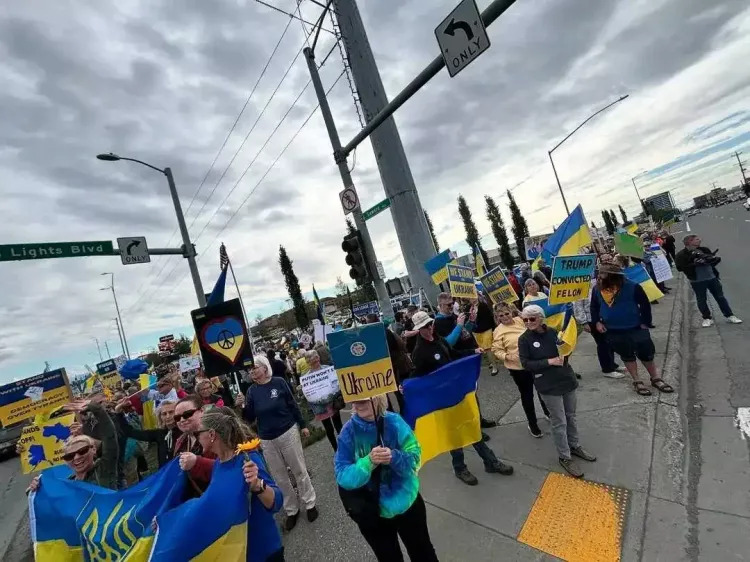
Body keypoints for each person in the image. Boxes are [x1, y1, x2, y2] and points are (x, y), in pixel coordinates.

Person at [410, 310, 513, 486]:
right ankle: (460, 468)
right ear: (418, 330)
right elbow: (418, 376)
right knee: (455, 435)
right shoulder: (419, 352)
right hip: (443, 400)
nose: (429, 328)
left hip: (456, 391)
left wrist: (473, 351)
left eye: (429, 324)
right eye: (424, 327)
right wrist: (406, 386)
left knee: (471, 426)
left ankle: (490, 461)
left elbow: (454, 354)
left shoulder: (439, 340)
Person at [335, 395, 438, 562]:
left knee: (423, 553)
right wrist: (368, 462)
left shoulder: (394, 422)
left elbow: (415, 459)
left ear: (377, 396)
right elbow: (342, 475)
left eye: (364, 399)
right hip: (373, 511)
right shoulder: (348, 432)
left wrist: (393, 457)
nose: (358, 403)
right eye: (355, 399)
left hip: (407, 502)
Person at [176, 407, 284, 562]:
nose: (197, 437)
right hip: (239, 552)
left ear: (211, 435)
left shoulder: (247, 459)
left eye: (198, 433)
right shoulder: (218, 464)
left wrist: (258, 486)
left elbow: (277, 501)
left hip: (263, 550)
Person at [236, 355, 317, 531]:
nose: (252, 371)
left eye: (255, 367)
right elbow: (249, 417)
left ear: (265, 368)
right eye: (250, 369)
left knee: (299, 470)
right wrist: (242, 406)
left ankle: (310, 502)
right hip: (266, 438)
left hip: (287, 431)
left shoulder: (279, 382)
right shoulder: (251, 391)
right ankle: (291, 509)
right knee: (280, 476)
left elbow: (292, 404)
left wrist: (303, 424)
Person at [518, 305, 595, 478]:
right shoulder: (524, 339)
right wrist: (549, 362)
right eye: (525, 319)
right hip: (548, 385)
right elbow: (526, 364)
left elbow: (564, 350)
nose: (528, 322)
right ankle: (564, 456)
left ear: (541, 318)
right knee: (559, 422)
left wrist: (566, 352)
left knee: (571, 416)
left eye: (532, 319)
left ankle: (574, 446)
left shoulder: (553, 332)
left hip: (565, 379)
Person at [590, 263, 673, 396]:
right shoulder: (597, 289)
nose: (599, 276)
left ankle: (655, 378)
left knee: (646, 354)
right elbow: (594, 307)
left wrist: (645, 323)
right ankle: (637, 380)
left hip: (636, 327)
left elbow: (645, 305)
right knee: (627, 355)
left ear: (613, 276)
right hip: (613, 329)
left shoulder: (632, 286)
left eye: (603, 274)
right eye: (599, 273)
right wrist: (597, 322)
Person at [432, 292, 496, 430]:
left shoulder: (452, 317)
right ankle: (473, 426)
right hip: (456, 361)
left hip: (467, 358)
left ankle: (479, 420)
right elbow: (448, 344)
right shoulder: (439, 323)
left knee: (472, 392)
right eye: (448, 305)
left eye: (452, 303)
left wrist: (471, 322)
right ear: (440, 305)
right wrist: (459, 325)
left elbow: (464, 333)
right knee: (465, 395)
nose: (451, 306)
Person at [27, 399, 119, 493]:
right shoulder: (67, 485)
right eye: (69, 456)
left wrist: (96, 407)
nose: (76, 457)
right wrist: (36, 490)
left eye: (82, 451)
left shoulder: (104, 469)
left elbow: (109, 437)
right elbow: (47, 498)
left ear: (93, 449)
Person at [491, 302, 550, 437]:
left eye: (507, 313)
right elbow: (496, 350)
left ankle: (548, 412)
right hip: (518, 368)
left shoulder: (520, 320)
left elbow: (534, 325)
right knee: (527, 395)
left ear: (511, 312)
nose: (505, 317)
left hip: (535, 362)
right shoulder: (498, 331)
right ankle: (532, 423)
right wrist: (507, 356)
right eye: (501, 315)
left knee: (542, 389)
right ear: (497, 317)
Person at [675, 234, 742, 327]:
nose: (699, 240)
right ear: (689, 241)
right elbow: (680, 268)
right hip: (697, 281)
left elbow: (711, 261)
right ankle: (707, 318)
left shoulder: (704, 250)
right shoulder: (681, 255)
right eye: (696, 239)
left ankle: (730, 315)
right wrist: (694, 264)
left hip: (712, 278)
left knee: (720, 297)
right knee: (701, 299)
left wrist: (713, 260)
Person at [572, 274, 625, 379]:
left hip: (603, 318)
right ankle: (607, 369)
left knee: (610, 342)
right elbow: (578, 307)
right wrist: (584, 322)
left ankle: (612, 364)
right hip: (591, 320)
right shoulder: (579, 288)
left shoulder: (596, 285)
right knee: (603, 344)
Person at [116, 399, 181, 468]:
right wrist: (118, 413)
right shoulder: (160, 434)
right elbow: (131, 432)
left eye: (171, 412)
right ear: (160, 417)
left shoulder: (184, 431)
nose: (168, 416)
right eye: (164, 414)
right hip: (165, 472)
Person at [305, 349, 344, 451]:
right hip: (320, 406)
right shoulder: (307, 377)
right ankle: (336, 449)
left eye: (317, 356)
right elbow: (309, 393)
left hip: (333, 402)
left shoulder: (327, 369)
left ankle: (345, 448)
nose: (316, 359)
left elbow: (336, 382)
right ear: (308, 361)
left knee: (339, 426)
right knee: (329, 429)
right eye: (313, 358)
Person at [472, 296, 500, 376]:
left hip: (486, 329)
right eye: (470, 298)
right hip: (476, 331)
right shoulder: (469, 307)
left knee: (488, 348)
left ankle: (494, 367)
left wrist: (493, 328)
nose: (472, 299)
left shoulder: (483, 305)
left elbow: (489, 317)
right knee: (483, 349)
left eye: (473, 297)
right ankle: (491, 362)